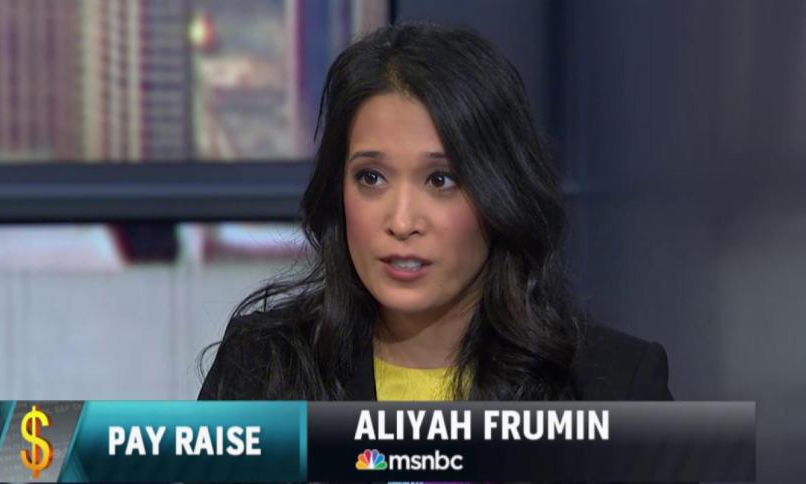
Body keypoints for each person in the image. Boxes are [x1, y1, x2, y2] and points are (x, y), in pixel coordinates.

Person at [199, 23, 673, 403]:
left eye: (441, 180)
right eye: (371, 178)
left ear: (501, 193)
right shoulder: (263, 371)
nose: (402, 222)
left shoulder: (613, 388)